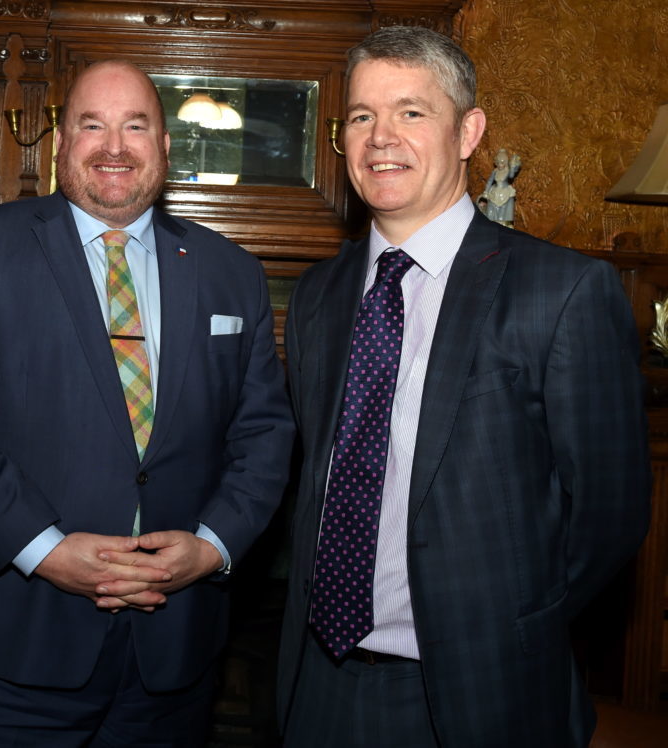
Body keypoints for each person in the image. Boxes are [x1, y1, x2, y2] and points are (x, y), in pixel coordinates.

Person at [277, 26, 649, 748]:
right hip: (314, 681)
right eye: (360, 117)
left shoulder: (563, 292)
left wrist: (509, 624)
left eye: (411, 112)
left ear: (469, 131)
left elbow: (609, 514)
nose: (381, 138)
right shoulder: (319, 296)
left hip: (480, 693)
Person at [0, 59, 294, 746]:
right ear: (61, 145)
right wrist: (45, 549)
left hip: (172, 656)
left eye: (135, 126)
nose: (114, 147)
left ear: (166, 148)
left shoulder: (230, 273)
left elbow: (264, 431)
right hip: (14, 648)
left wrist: (211, 549)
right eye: (93, 124)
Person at [477, 147, 521, 226]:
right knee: (490, 213)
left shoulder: (507, 170)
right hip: (494, 193)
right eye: (498, 163)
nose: (500, 165)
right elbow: (490, 181)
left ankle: (502, 225)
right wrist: (486, 192)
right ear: (496, 162)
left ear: (506, 162)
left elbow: (511, 176)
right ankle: (491, 224)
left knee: (502, 216)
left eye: (502, 163)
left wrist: (513, 166)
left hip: (505, 193)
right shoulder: (495, 171)